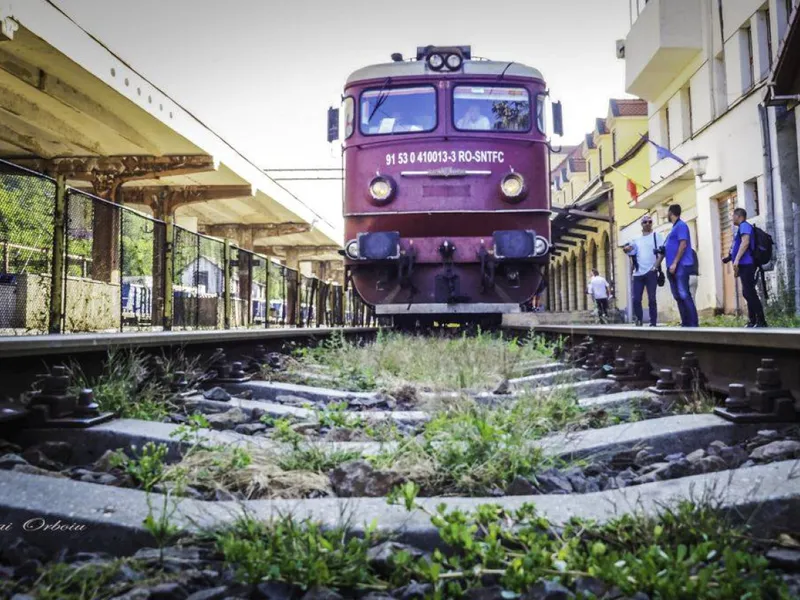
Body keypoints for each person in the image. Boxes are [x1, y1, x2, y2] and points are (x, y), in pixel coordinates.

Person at [726, 207, 767, 327]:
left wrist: (737, 259)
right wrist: (731, 258)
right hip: (744, 265)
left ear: (739, 216)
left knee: (749, 292)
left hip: (748, 264)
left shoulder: (744, 226)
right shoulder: (741, 228)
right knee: (747, 292)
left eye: (733, 216)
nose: (732, 218)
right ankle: (753, 320)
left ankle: (761, 321)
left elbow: (745, 242)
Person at [623, 215, 665, 327]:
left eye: (650, 222)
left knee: (652, 298)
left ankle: (653, 322)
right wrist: (627, 249)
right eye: (645, 222)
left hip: (651, 271)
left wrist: (655, 267)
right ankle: (639, 320)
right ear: (641, 224)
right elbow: (631, 253)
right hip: (638, 273)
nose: (647, 223)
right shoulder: (635, 239)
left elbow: (662, 253)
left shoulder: (657, 236)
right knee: (636, 299)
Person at [664, 204, 699, 327]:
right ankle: (685, 322)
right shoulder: (674, 228)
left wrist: (675, 262)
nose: (666, 215)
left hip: (681, 265)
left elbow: (683, 244)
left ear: (671, 213)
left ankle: (693, 323)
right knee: (678, 296)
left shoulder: (681, 226)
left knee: (684, 294)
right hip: (673, 267)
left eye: (667, 212)